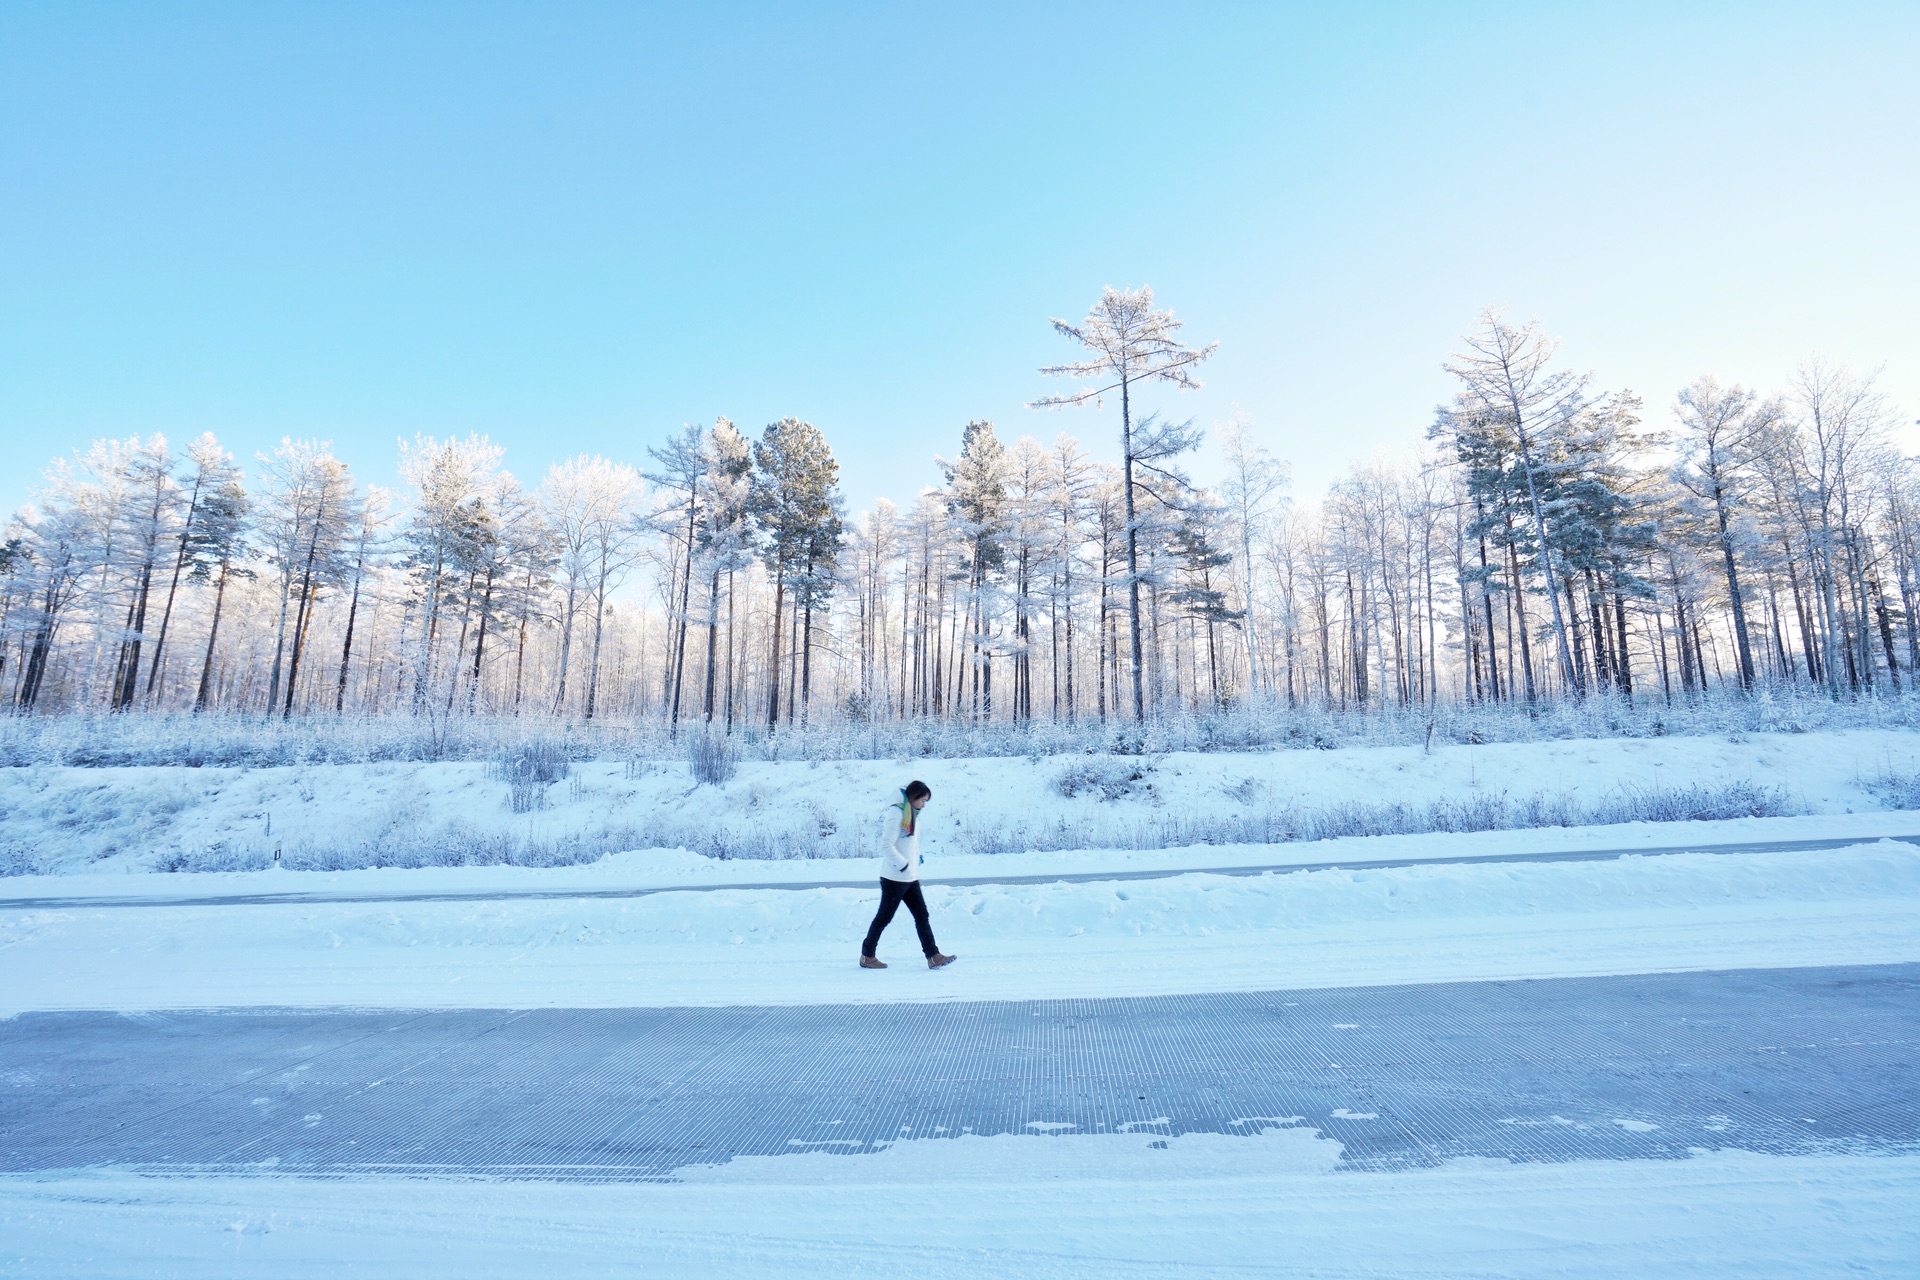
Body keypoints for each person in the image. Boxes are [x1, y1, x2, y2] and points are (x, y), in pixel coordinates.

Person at [860, 780, 956, 970]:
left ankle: (933, 956)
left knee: (922, 915)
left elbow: (908, 842)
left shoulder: (911, 813)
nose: (924, 805)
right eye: (923, 800)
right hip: (894, 877)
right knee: (883, 918)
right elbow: (886, 846)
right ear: (914, 797)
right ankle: (867, 956)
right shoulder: (896, 813)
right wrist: (903, 865)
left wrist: (914, 858)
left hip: (909, 876)